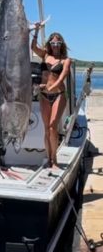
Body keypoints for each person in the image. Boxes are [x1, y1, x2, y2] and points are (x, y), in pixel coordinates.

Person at [31, 25, 71, 168]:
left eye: (58, 43)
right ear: (49, 44)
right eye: (53, 43)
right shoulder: (45, 55)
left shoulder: (66, 60)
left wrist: (52, 87)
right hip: (44, 96)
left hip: (59, 94)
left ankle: (54, 160)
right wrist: (35, 31)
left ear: (61, 45)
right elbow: (33, 46)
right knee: (47, 129)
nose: (55, 45)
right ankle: (48, 158)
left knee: (53, 127)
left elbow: (62, 78)